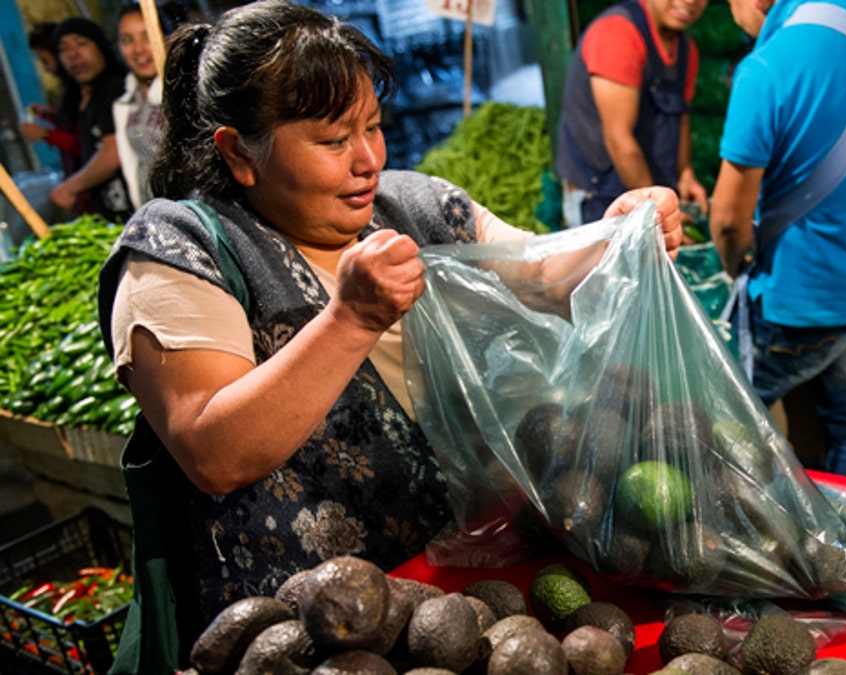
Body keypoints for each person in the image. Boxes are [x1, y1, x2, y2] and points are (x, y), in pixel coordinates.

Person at [96, 1, 681, 670]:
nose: (368, 159)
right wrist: (351, 319)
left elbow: (545, 272)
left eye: (373, 127)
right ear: (240, 153)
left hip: (462, 610)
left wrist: (622, 232)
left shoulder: (416, 208)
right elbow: (214, 448)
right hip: (315, 638)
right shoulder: (179, 248)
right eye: (332, 139)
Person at [710, 0, 846, 481]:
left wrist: (732, 265)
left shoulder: (766, 67)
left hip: (803, 302)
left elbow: (727, 222)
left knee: (721, 426)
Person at [556, 0, 709, 227]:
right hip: (600, 198)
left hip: (647, 195)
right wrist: (657, 215)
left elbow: (681, 119)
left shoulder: (687, 51)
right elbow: (620, 142)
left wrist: (685, 173)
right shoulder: (617, 34)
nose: (690, 1)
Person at [45, 18, 133, 220]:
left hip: (132, 215)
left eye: (81, 43)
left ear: (101, 47)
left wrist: (69, 188)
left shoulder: (114, 89)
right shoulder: (82, 98)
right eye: (63, 49)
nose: (73, 54)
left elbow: (113, 151)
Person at [113, 2, 168, 209]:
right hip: (154, 216)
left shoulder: (184, 90)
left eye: (147, 37)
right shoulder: (127, 102)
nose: (138, 49)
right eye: (127, 40)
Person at [19, 22, 83, 176]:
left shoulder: (83, 91)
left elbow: (87, 145)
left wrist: (46, 135)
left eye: (46, 61)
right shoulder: (70, 91)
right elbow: (73, 124)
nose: (46, 69)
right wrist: (48, 115)